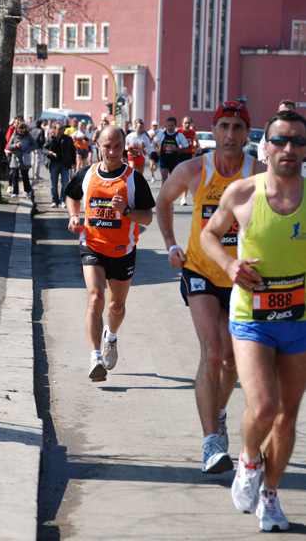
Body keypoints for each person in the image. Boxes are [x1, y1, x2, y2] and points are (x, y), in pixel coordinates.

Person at [200, 109, 306, 532]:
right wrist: (228, 265)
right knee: (263, 407)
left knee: (287, 417)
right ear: (265, 148)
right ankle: (248, 458)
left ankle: (270, 496)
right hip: (252, 318)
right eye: (280, 140)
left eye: (298, 141)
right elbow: (210, 235)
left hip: (297, 318)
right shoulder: (243, 194)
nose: (289, 148)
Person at [156, 101, 266, 474]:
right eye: (223, 126)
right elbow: (163, 201)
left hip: (240, 276)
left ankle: (218, 412)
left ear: (247, 134)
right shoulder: (193, 169)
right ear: (214, 131)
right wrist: (172, 243)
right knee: (212, 352)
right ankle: (210, 443)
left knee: (232, 360)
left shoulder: (259, 175)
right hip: (200, 270)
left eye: (237, 127)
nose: (230, 134)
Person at [65, 125, 155, 382]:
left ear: (124, 147)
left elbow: (148, 217)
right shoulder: (88, 173)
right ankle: (95, 358)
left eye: (117, 146)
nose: (112, 151)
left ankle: (110, 337)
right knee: (95, 299)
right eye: (107, 146)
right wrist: (73, 215)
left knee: (116, 306)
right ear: (98, 146)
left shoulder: (133, 178)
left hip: (122, 251)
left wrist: (127, 211)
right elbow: (72, 195)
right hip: (92, 245)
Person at [43, 122, 76, 208]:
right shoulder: (50, 139)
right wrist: (48, 152)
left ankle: (63, 200)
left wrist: (73, 162)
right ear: (55, 129)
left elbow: (73, 150)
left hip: (65, 164)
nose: (61, 130)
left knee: (65, 183)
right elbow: (44, 148)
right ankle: (54, 201)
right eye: (59, 128)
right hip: (53, 163)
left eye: (62, 128)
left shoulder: (67, 139)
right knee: (53, 184)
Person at [154, 117, 188, 185]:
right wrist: (157, 150)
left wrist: (177, 149)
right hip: (163, 159)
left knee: (173, 179)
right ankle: (163, 195)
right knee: (164, 178)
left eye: (172, 126)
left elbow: (186, 148)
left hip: (174, 160)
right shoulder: (162, 134)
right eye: (168, 125)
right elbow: (154, 142)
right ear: (166, 125)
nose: (170, 127)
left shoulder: (179, 135)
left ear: (175, 126)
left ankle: (171, 195)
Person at [7, 121, 37, 198]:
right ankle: (15, 192)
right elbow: (9, 146)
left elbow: (35, 144)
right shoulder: (14, 135)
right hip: (15, 158)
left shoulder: (28, 135)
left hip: (25, 157)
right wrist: (15, 145)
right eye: (20, 131)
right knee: (14, 175)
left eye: (23, 131)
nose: (22, 133)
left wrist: (28, 150)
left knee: (25, 175)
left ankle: (28, 190)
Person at [176, 116, 198, 204]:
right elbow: (175, 141)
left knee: (187, 177)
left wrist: (195, 145)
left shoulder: (192, 132)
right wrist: (180, 146)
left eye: (189, 123)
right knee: (179, 177)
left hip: (188, 155)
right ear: (182, 123)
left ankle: (183, 198)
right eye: (185, 123)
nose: (187, 124)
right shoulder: (179, 132)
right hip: (179, 155)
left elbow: (196, 140)